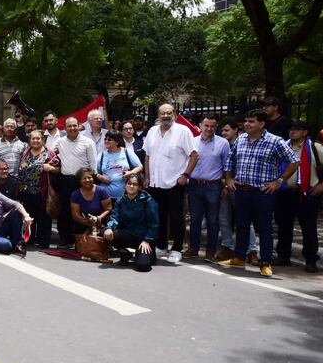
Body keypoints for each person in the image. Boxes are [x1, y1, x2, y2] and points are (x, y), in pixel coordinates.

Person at [221, 109, 300, 277]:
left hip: (263, 192)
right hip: (241, 190)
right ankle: (239, 257)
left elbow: (294, 161)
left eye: (251, 122)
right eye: (247, 121)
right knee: (241, 225)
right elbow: (230, 159)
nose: (247, 124)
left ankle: (265, 262)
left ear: (262, 124)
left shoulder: (275, 141)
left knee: (264, 228)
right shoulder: (241, 139)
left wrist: (279, 181)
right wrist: (229, 178)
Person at [143, 104, 199, 264]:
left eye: (169, 113)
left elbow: (194, 155)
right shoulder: (152, 131)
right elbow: (147, 155)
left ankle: (176, 248)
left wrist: (186, 175)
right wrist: (147, 177)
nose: (165, 116)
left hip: (175, 182)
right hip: (155, 182)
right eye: (162, 113)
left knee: (176, 217)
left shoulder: (183, 131)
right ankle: (161, 245)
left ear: (174, 114)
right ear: (158, 115)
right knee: (158, 216)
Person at [273, 120, 323, 273]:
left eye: (297, 129)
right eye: (291, 129)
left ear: (305, 132)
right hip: (285, 191)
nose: (293, 132)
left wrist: (322, 186)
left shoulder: (315, 148)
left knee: (308, 227)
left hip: (306, 192)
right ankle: (283, 256)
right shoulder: (283, 146)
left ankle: (310, 260)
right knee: (283, 226)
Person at [183, 115, 230, 260]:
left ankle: (210, 251)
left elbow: (227, 166)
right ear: (200, 126)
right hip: (194, 184)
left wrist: (226, 184)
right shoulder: (192, 142)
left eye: (212, 126)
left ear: (217, 128)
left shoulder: (223, 143)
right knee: (195, 219)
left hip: (213, 186)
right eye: (206, 125)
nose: (209, 129)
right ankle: (193, 248)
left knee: (213, 220)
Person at [216, 118, 259, 263]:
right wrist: (224, 182)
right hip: (221, 186)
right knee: (224, 218)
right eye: (222, 130)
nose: (224, 133)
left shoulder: (242, 143)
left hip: (239, 187)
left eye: (227, 130)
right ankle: (227, 246)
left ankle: (251, 250)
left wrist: (230, 183)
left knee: (245, 220)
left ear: (236, 130)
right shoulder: (220, 144)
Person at [53, 116, 96, 247]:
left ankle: (82, 238)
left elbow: (93, 163)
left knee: (83, 210)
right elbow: (52, 154)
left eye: (74, 125)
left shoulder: (88, 142)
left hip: (82, 181)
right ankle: (65, 238)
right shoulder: (60, 142)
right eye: (69, 126)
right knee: (65, 210)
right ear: (64, 128)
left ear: (79, 126)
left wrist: (91, 180)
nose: (72, 128)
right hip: (65, 180)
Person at [102, 173, 159, 272]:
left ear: (140, 187)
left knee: (143, 266)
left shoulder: (147, 200)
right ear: (125, 185)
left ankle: (146, 255)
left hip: (144, 239)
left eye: (135, 184)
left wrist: (147, 240)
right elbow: (114, 217)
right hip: (128, 235)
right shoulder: (120, 200)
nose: (131, 186)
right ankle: (124, 252)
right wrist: (109, 228)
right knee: (105, 232)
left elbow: (154, 223)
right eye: (129, 183)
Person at [18, 130, 59, 248]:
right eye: (33, 138)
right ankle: (28, 239)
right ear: (29, 140)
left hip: (43, 192)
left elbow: (58, 170)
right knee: (29, 217)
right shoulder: (26, 152)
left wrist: (51, 168)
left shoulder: (49, 153)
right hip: (26, 191)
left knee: (44, 218)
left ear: (43, 140)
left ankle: (43, 241)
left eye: (38, 138)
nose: (35, 141)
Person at [95, 130, 143, 200]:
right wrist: (99, 177)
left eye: (109, 139)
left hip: (125, 195)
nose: (106, 141)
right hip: (106, 196)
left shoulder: (127, 152)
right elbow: (94, 171)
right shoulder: (101, 155)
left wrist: (130, 173)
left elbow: (140, 167)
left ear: (117, 142)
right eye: (105, 139)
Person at [71, 167, 113, 234]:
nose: (87, 180)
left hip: (101, 223)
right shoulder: (75, 194)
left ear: (93, 178)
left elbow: (108, 209)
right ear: (80, 181)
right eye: (84, 178)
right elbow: (75, 215)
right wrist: (88, 222)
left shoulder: (102, 191)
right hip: (83, 223)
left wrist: (97, 219)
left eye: (89, 177)